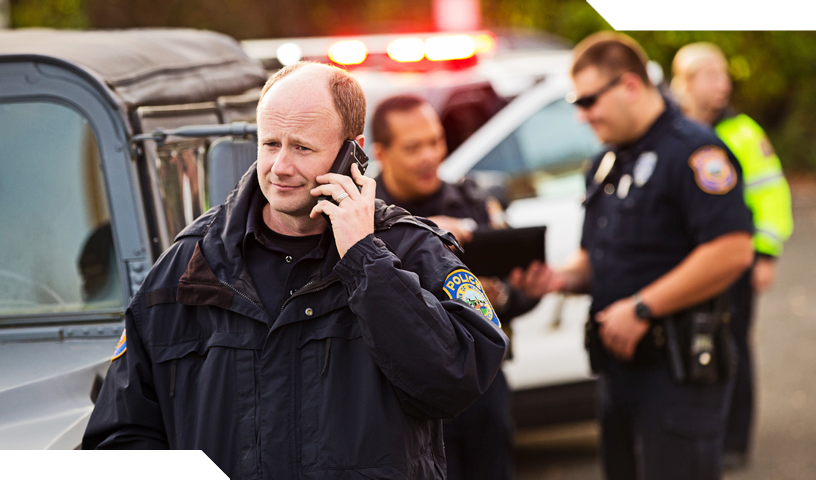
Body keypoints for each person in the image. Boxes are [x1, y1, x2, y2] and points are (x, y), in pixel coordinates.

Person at [83, 61, 509, 479]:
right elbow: (120, 431)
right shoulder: (191, 265)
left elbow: (458, 380)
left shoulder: (410, 249)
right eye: (270, 144)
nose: (280, 167)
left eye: (302, 147)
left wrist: (365, 260)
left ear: (352, 152)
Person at [537, 32, 755, 480]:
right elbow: (598, 257)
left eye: (589, 101)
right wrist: (560, 279)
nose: (583, 116)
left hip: (677, 374)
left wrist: (643, 307)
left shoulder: (694, 150)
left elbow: (732, 249)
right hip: (619, 372)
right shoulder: (607, 162)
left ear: (630, 86)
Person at [371, 94, 547, 480]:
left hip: (481, 388)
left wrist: (502, 295)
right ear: (380, 153)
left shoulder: (472, 202)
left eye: (435, 141)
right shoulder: (363, 216)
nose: (429, 156)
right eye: (413, 147)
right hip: (405, 396)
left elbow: (514, 297)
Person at [671, 42, 794, 467]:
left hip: (733, 262)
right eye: (711, 74)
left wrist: (765, 252)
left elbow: (771, 193)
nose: (722, 84)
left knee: (733, 344)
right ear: (684, 82)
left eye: (724, 75)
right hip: (683, 266)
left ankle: (733, 441)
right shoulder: (670, 131)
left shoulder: (741, 132)